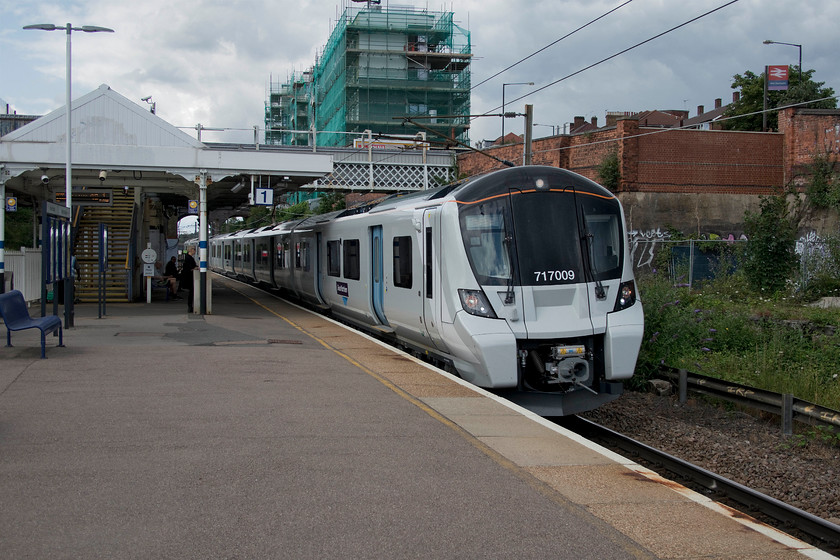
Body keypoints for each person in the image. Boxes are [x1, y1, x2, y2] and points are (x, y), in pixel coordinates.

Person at [181, 246, 198, 312]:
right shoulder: (188, 258)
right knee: (191, 293)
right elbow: (189, 268)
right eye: (194, 249)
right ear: (190, 250)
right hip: (190, 278)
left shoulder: (188, 257)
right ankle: (190, 306)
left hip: (189, 277)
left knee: (191, 293)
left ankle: (190, 306)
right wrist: (195, 268)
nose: (195, 251)